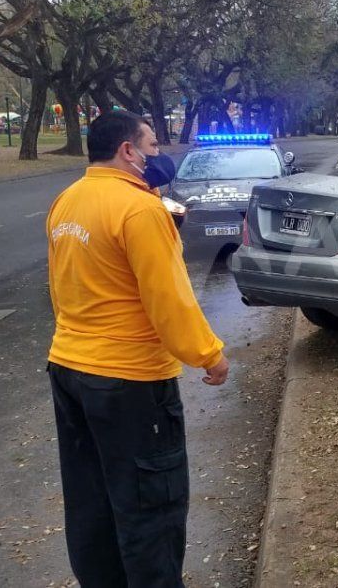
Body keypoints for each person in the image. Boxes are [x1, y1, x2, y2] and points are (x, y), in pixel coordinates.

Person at [45, 110, 230, 586]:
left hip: (69, 369)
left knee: (93, 501)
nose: (158, 156)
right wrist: (208, 353)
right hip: (129, 382)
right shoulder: (140, 209)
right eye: (151, 146)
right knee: (151, 509)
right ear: (127, 150)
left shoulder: (67, 201)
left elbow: (67, 286)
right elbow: (169, 298)